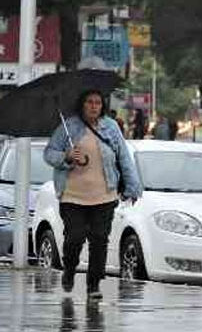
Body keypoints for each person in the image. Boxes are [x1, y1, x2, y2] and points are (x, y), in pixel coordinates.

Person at [44, 90, 142, 300]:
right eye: (89, 102)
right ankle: (69, 268)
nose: (94, 106)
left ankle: (94, 284)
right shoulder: (68, 127)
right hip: (72, 196)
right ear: (82, 104)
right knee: (75, 238)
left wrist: (133, 186)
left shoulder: (111, 127)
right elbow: (49, 153)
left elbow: (124, 157)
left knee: (99, 240)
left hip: (104, 196)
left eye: (98, 102)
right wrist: (66, 156)